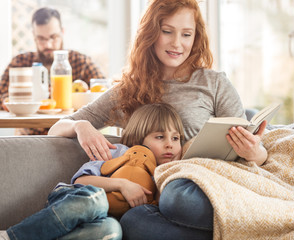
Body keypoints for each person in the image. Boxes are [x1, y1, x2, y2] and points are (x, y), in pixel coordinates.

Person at [47, 0, 267, 239]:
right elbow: (55, 129)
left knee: (177, 197)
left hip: (205, 187)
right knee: (133, 220)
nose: (177, 43)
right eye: (167, 31)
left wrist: (254, 152)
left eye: (186, 34)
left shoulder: (214, 83)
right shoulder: (128, 90)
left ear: (196, 37)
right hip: (153, 198)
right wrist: (82, 126)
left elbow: (257, 155)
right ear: (151, 33)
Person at [1, 103, 184, 240]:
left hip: (103, 220)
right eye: (160, 137)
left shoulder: (165, 175)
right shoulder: (118, 151)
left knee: (112, 231)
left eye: (176, 138)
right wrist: (121, 184)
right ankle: (13, 236)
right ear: (139, 138)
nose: (170, 144)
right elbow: (82, 181)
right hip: (76, 198)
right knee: (96, 201)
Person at [0, 7, 105, 135]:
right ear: (34, 36)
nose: (48, 45)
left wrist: (73, 98)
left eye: (53, 37)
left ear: (62, 32)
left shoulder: (82, 63)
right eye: (41, 39)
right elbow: (2, 96)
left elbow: (103, 95)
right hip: (29, 138)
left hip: (71, 139)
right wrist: (25, 100)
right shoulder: (20, 63)